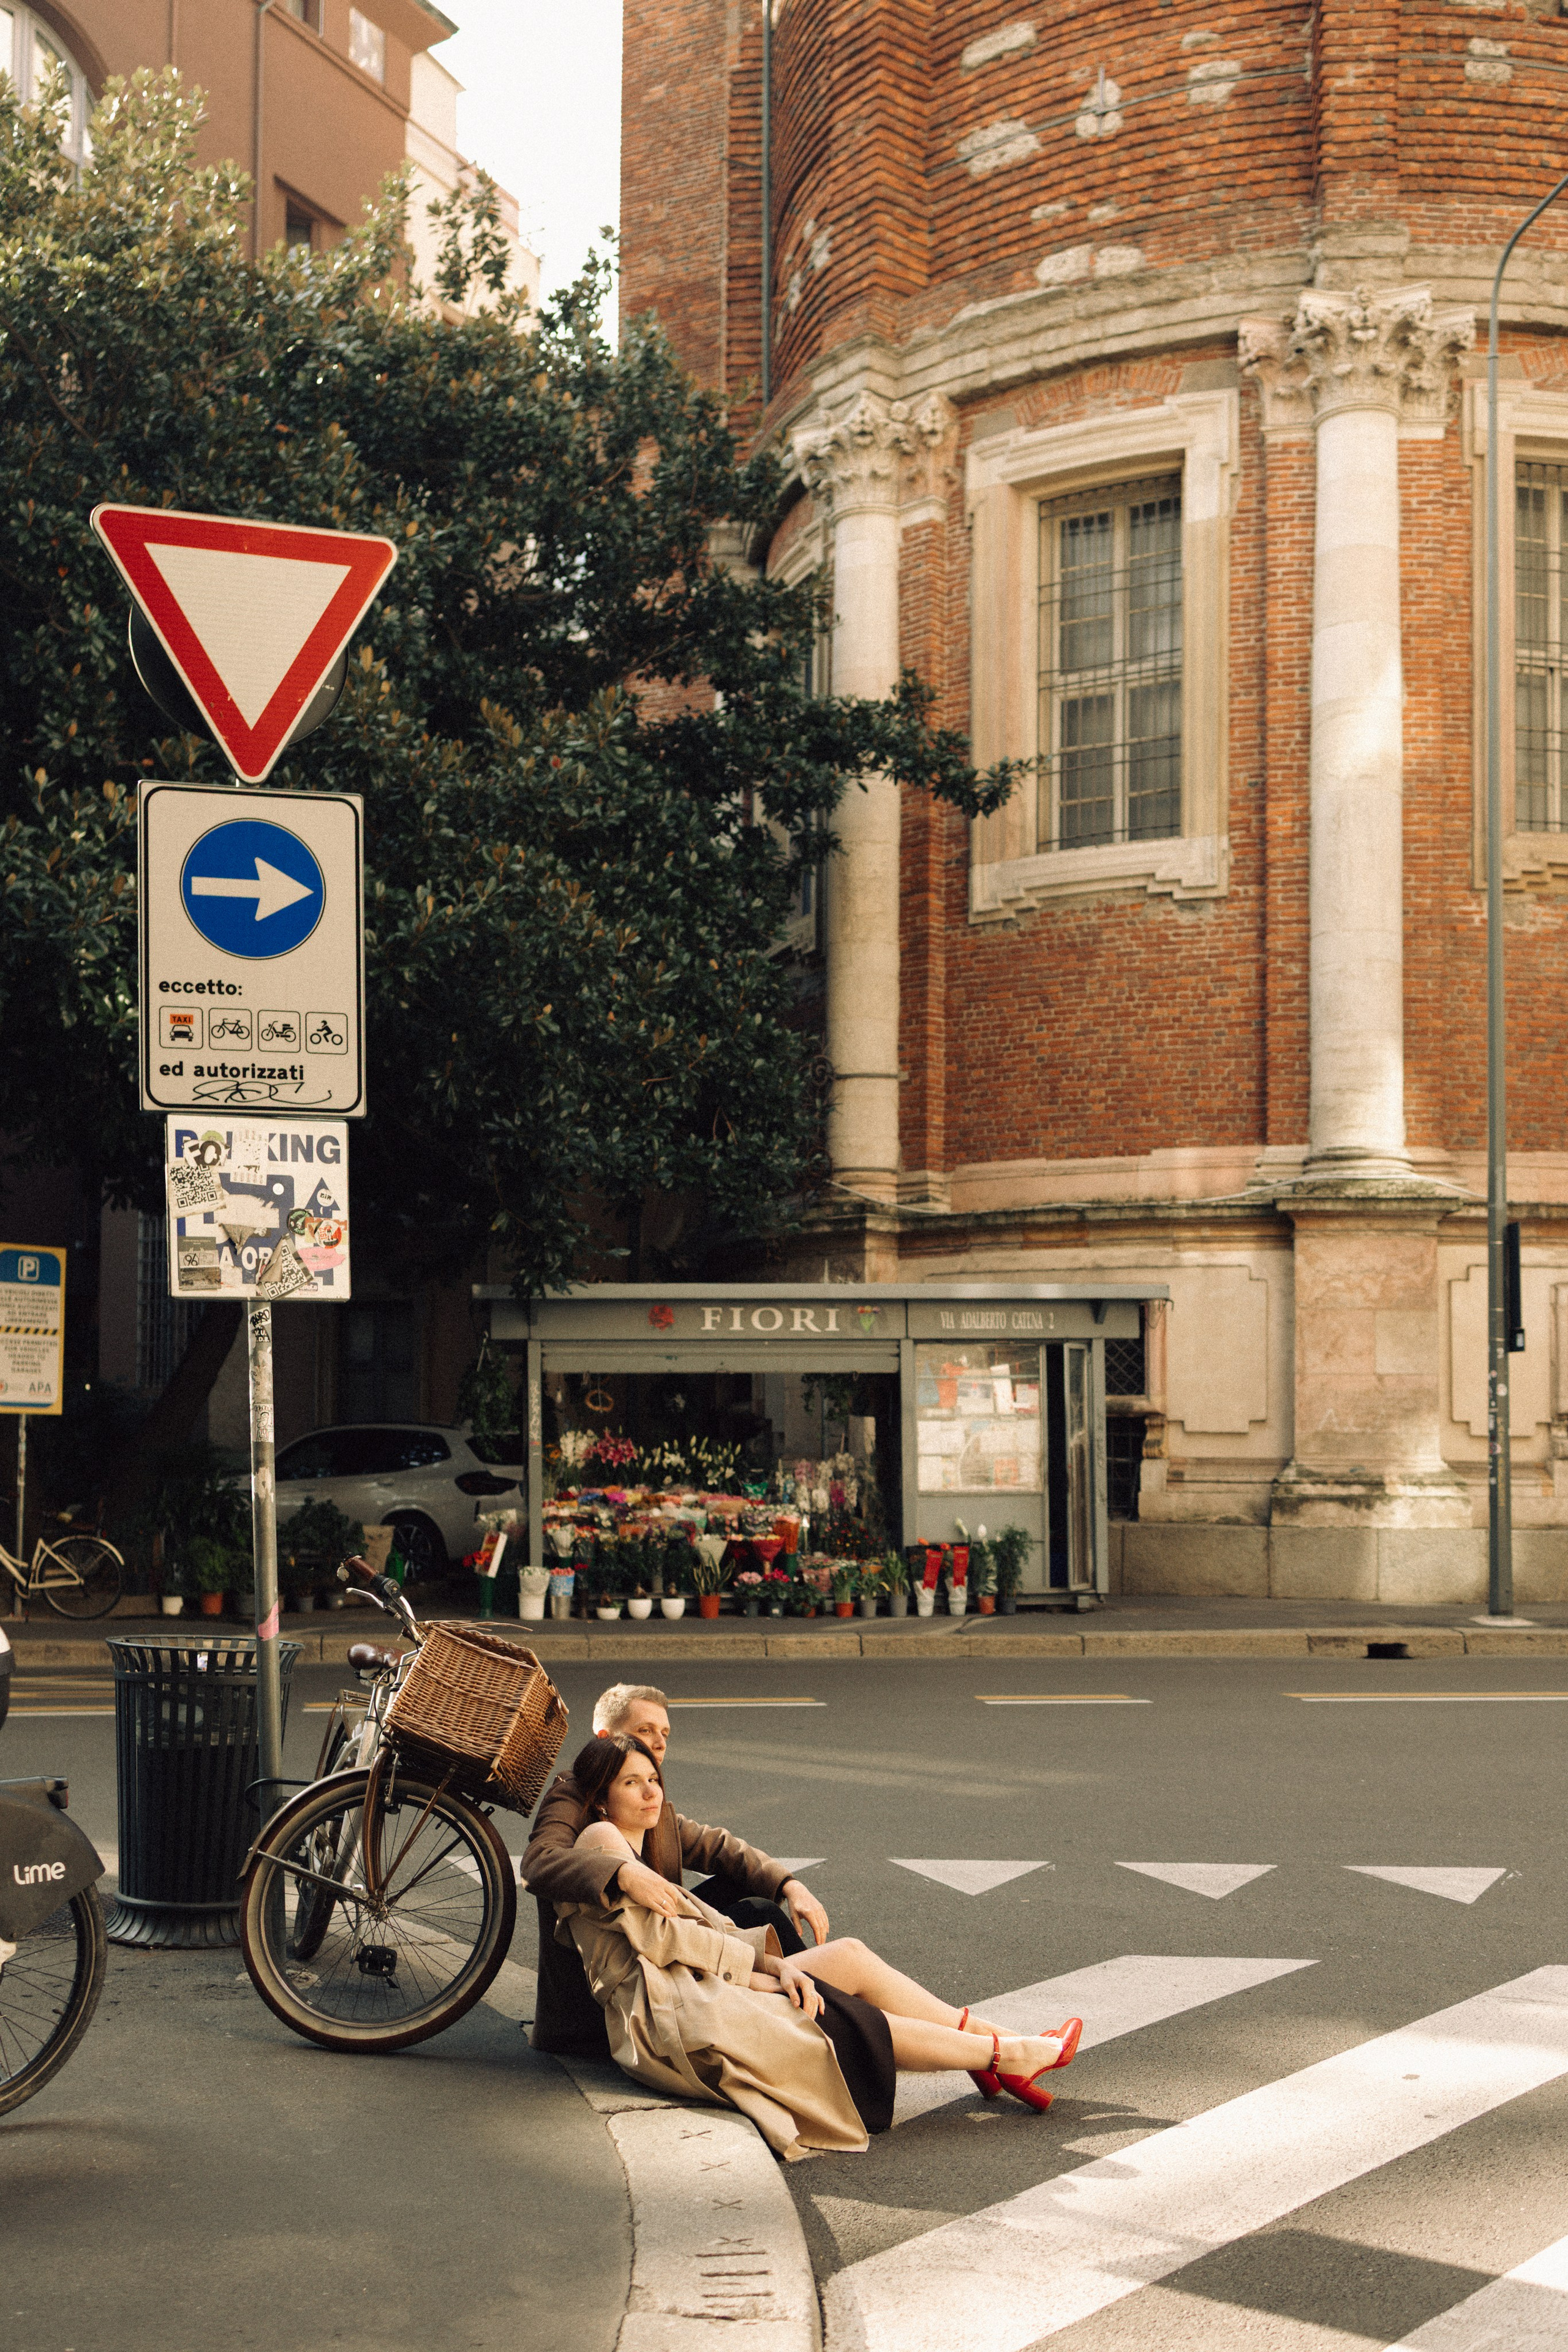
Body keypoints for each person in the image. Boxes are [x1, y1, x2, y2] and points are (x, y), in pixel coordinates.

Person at [554, 1732, 1084, 2163]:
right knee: (842, 2015)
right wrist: (769, 1971)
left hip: (692, 1988)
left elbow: (708, 1892)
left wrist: (779, 1931)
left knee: (846, 1956)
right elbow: (667, 1941)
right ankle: (1009, 2055)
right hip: (670, 2012)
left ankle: (1001, 2049)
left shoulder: (640, 1835)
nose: (651, 1793)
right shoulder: (602, 1838)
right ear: (601, 1797)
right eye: (632, 1783)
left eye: (654, 1779)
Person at [522, 1683, 829, 2057]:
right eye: (644, 1730)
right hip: (604, 1985)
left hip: (656, 1942)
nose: (660, 1742)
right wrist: (621, 1873)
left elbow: (719, 1847)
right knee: (758, 1914)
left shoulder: (650, 1803)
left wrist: (789, 1885)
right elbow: (539, 1862)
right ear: (606, 1738)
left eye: (664, 1733)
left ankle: (813, 1996)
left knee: (751, 1887)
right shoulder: (575, 1793)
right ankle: (820, 2004)